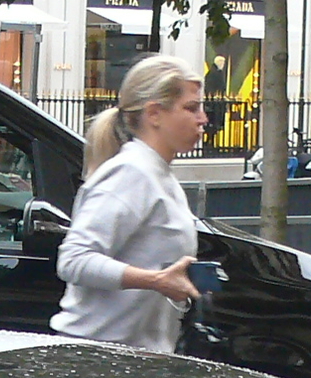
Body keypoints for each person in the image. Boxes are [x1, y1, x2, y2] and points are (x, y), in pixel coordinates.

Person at [53, 56, 209, 354]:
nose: (203, 118)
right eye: (191, 108)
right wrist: (157, 281)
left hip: (132, 360)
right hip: (98, 359)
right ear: (154, 114)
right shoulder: (131, 173)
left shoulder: (158, 174)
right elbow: (74, 260)